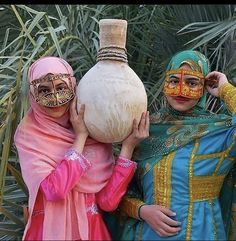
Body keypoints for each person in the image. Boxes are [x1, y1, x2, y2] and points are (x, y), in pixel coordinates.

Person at [14, 56, 149, 240]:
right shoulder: (29, 134)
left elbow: (108, 202)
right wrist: (80, 138)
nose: (55, 98)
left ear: (73, 86)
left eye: (61, 88)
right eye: (44, 90)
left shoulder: (96, 130)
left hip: (91, 232)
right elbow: (55, 191)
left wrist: (127, 148)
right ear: (33, 94)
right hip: (48, 233)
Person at [117, 49, 236, 240]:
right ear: (165, 83)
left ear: (204, 87)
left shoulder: (221, 132)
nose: (182, 90)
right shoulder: (145, 129)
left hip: (201, 233)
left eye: (192, 82)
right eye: (174, 81)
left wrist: (225, 89)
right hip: (147, 234)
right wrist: (141, 210)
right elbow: (118, 189)